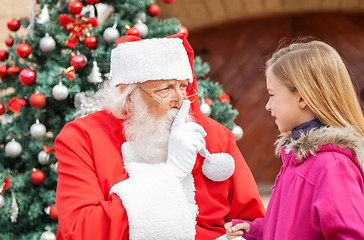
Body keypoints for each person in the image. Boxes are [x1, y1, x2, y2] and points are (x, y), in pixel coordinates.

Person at [55, 33, 265, 240]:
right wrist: (170, 174)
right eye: (165, 89)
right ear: (129, 98)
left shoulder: (216, 136)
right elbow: (80, 230)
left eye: (183, 86)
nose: (181, 99)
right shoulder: (83, 138)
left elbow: (252, 224)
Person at [224, 40, 364, 240]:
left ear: (302, 98)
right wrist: (256, 229)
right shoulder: (297, 160)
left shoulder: (332, 166)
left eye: (272, 95)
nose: (267, 106)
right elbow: (293, 226)